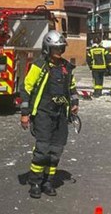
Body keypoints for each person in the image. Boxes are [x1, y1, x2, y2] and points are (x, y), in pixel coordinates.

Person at [20, 30, 79, 199]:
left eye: (61, 48)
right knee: (43, 149)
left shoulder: (66, 67)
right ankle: (35, 183)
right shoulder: (40, 65)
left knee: (56, 150)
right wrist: (25, 113)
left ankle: (48, 181)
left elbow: (72, 88)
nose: (59, 52)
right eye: (55, 49)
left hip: (60, 114)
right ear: (47, 49)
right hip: (43, 113)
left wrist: (74, 104)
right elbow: (26, 88)